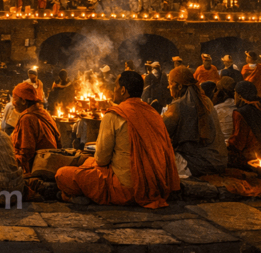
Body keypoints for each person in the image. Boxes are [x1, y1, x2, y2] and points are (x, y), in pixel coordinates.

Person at [55, 71, 179, 208]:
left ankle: (69, 195)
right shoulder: (154, 114)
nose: (113, 90)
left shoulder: (115, 114)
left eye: (115, 86)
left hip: (126, 189)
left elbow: (102, 159)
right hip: (156, 187)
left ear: (123, 90)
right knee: (89, 162)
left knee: (62, 174)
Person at [162, 67, 226, 177]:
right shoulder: (206, 101)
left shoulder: (177, 107)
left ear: (180, 86)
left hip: (199, 163)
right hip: (220, 161)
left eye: (170, 83)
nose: (168, 87)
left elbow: (161, 131)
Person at [9, 82, 60, 175]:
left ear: (24, 101)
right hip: (51, 163)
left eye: (15, 99)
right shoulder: (44, 112)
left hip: (35, 169)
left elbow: (26, 154)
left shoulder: (27, 118)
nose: (13, 103)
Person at [226, 81, 261, 169]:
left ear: (239, 96)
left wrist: (226, 144)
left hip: (250, 158)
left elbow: (238, 142)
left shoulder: (240, 113)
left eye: (235, 93)